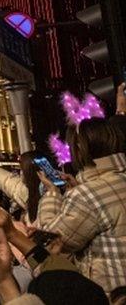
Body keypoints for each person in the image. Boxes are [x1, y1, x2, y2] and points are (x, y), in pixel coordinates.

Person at [38, 115, 126, 292]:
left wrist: (53, 194)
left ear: (80, 148)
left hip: (110, 294)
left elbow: (50, 239)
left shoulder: (86, 195)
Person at [0, 151, 43, 224]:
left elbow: (9, 183)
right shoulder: (31, 191)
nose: (20, 173)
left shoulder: (43, 196)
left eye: (22, 169)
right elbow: (9, 182)